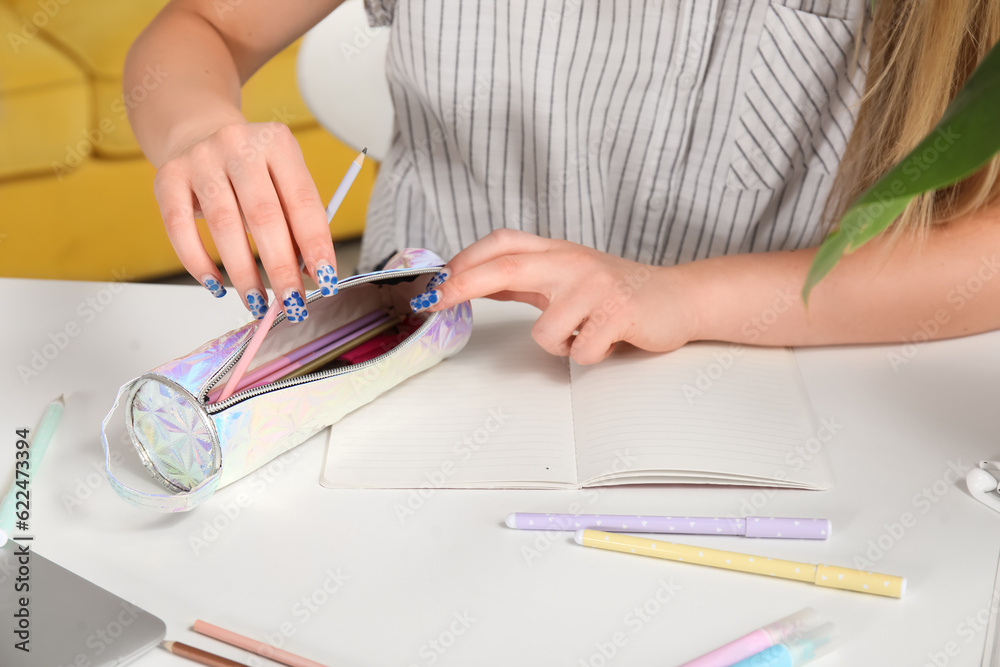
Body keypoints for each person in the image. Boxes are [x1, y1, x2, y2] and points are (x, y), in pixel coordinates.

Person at [126, 0, 1000, 363]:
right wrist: (200, 127)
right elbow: (197, 28)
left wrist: (689, 300)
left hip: (762, 386)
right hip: (425, 370)